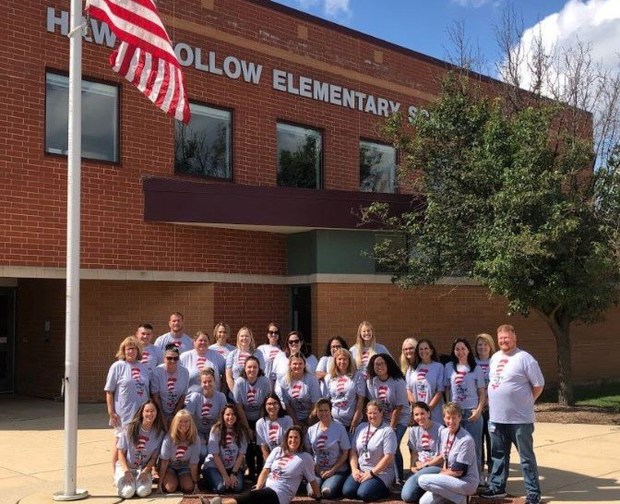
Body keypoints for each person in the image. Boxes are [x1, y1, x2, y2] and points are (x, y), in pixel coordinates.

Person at [481, 324, 544, 504]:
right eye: (500, 339)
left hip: (520, 420)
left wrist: (526, 401)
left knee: (526, 458)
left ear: (515, 337)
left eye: (506, 338)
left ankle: (533, 493)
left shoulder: (525, 358)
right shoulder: (494, 358)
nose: (503, 341)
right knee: (498, 456)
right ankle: (497, 487)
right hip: (497, 418)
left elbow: (538, 385)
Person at [205, 425, 321, 504]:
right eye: (290, 437)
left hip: (280, 495)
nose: (293, 440)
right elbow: (265, 470)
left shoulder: (305, 458)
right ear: (286, 439)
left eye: (296, 437)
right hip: (266, 489)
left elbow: (312, 480)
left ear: (301, 440)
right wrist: (259, 486)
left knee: (252, 497)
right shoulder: (277, 451)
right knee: (253, 496)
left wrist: (318, 496)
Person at [417, 402, 480, 504]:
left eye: (454, 418)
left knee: (422, 480)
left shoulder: (466, 440)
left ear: (459, 418)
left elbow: (459, 472)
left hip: (465, 482)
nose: (451, 421)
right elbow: (444, 457)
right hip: (450, 479)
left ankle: (463, 499)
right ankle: (460, 498)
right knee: (424, 502)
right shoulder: (443, 432)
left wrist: (440, 475)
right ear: (444, 418)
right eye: (448, 418)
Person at [104, 336, 150, 471]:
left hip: (141, 414)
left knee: (137, 442)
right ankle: (116, 472)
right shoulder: (117, 366)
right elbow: (109, 391)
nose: (131, 351)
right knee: (120, 443)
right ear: (123, 351)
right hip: (124, 413)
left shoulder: (143, 367)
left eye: (134, 349)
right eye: (128, 349)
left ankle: (134, 469)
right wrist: (111, 412)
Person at [365, 352, 410, 485]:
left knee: (393, 446)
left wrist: (391, 427)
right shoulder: (372, 381)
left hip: (400, 417)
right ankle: (386, 475)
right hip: (382, 417)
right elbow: (375, 403)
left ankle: (399, 479)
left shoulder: (398, 381)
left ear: (388, 364)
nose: (380, 366)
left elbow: (399, 406)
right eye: (376, 364)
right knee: (382, 447)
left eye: (382, 363)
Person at [445, 337, 485, 474]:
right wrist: (448, 410)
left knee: (475, 446)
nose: (460, 351)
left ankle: (477, 477)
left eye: (463, 348)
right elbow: (447, 390)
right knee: (456, 445)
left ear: (468, 350)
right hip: (456, 413)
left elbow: (482, 392)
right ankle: (458, 473)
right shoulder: (449, 367)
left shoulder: (476, 368)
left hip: (471, 412)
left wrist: (479, 410)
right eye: (457, 349)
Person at [343, 400, 397, 502]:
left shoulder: (387, 431)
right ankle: (366, 485)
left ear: (381, 413)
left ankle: (386, 490)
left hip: (381, 472)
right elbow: (353, 451)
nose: (372, 416)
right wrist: (354, 470)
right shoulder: (361, 427)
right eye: (370, 413)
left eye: (375, 413)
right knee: (348, 491)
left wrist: (372, 473)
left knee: (363, 494)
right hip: (361, 470)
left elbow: (388, 457)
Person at [114, 400, 165, 499]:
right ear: (141, 412)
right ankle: (119, 480)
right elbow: (120, 453)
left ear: (157, 412)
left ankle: (136, 483)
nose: (150, 414)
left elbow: (154, 458)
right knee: (128, 493)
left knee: (142, 492)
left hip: (142, 469)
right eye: (147, 411)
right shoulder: (129, 428)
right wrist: (126, 471)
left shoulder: (159, 433)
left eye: (153, 411)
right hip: (126, 467)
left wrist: (146, 470)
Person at [233, 355, 272, 480]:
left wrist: (259, 425)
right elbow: (239, 407)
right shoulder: (239, 382)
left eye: (255, 367)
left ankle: (260, 470)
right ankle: (250, 470)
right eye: (249, 367)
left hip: (261, 416)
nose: (252, 370)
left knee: (260, 442)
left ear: (259, 368)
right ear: (244, 368)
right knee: (248, 443)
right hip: (244, 416)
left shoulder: (265, 381)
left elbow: (265, 405)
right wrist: (247, 427)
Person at [305, 398, 351, 498]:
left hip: (336, 471)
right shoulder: (311, 430)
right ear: (316, 412)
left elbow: (345, 453)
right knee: (312, 493)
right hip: (318, 471)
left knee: (327, 492)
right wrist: (317, 469)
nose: (323, 413)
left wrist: (332, 471)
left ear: (330, 411)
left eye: (326, 410)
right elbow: (308, 454)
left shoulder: (340, 428)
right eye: (320, 410)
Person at [401, 401, 444, 503]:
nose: (419, 417)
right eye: (416, 414)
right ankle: (429, 491)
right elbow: (415, 453)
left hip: (435, 466)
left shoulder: (440, 429)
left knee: (415, 483)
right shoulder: (413, 430)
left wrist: (426, 465)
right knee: (406, 496)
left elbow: (442, 455)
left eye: (422, 413)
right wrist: (413, 466)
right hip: (420, 467)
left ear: (428, 413)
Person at [202, 404, 249, 494]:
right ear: (222, 416)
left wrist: (233, 474)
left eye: (233, 414)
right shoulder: (216, 430)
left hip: (232, 467)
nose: (230, 417)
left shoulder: (242, 431)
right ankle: (209, 479)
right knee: (221, 488)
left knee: (237, 488)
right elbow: (215, 455)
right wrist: (225, 476)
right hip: (215, 466)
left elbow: (241, 455)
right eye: (227, 414)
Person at [185, 368, 228, 460]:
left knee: (215, 452)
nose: (207, 384)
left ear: (214, 381)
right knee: (202, 452)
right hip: (198, 431)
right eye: (204, 382)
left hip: (214, 430)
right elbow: (189, 419)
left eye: (210, 381)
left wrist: (213, 433)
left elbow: (222, 419)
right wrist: (196, 436)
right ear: (200, 383)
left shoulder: (221, 397)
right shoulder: (195, 397)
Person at [274, 351, 322, 428]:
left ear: (304, 365)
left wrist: (308, 423)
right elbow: (287, 405)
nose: (297, 366)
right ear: (289, 365)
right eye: (295, 364)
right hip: (293, 419)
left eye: (300, 363)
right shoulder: (284, 381)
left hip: (312, 418)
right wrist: (296, 423)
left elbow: (315, 404)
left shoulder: (312, 379)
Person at [158, 409, 201, 494]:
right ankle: (171, 479)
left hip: (184, 467)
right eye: (180, 421)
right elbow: (164, 462)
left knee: (188, 488)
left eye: (186, 421)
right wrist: (159, 484)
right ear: (175, 423)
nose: (183, 424)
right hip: (169, 466)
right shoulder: (168, 438)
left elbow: (194, 464)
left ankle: (181, 479)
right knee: (170, 488)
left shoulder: (195, 439)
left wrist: (195, 484)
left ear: (190, 423)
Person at [323, 347, 365, 432]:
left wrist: (355, 420)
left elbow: (361, 399)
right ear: (335, 361)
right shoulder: (329, 377)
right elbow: (326, 400)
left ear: (349, 360)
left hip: (353, 423)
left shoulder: (357, 375)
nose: (342, 362)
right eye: (339, 359)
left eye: (345, 359)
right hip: (335, 422)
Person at [474, 332, 497, 485]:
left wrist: (487, 401)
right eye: (479, 345)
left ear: (490, 346)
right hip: (476, 408)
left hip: (493, 408)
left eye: (485, 344)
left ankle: (492, 473)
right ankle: (480, 472)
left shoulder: (495, 362)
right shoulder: (472, 363)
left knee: (492, 441)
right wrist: (479, 405)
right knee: (477, 441)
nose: (482, 347)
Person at [406, 338, 445, 424]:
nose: (423, 351)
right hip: (417, 415)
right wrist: (417, 409)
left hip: (434, 412)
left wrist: (428, 409)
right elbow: (408, 390)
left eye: (426, 348)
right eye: (421, 349)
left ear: (431, 351)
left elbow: (440, 391)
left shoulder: (439, 367)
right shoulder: (412, 368)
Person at [150, 344, 190, 426]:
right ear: (164, 359)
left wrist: (174, 415)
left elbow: (183, 395)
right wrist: (162, 417)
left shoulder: (184, 372)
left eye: (176, 358)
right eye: (169, 358)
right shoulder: (157, 372)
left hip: (177, 411)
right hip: (160, 411)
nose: (173, 361)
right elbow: (155, 396)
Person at [225, 327, 266, 394]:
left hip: (254, 394)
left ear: (251, 338)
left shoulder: (258, 353)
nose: (244, 338)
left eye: (247, 336)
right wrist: (236, 393)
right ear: (238, 338)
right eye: (242, 336)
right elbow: (229, 377)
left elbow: (261, 374)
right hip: (236, 394)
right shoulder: (232, 355)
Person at [255, 393, 294, 461]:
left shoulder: (287, 420)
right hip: (270, 459)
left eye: (275, 403)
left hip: (287, 457)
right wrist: (269, 465)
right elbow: (264, 449)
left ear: (279, 405)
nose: (272, 406)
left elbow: (289, 444)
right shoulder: (260, 423)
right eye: (269, 404)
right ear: (265, 406)